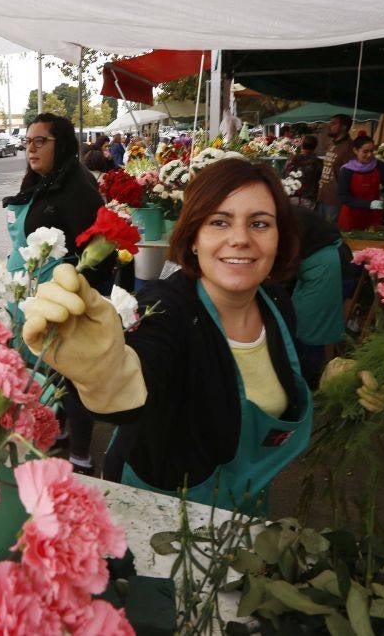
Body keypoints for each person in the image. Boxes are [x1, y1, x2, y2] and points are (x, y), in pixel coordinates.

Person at [24, 159, 312, 512]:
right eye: (219, 222)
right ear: (192, 239)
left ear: (279, 236)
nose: (240, 239)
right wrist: (104, 371)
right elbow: (134, 379)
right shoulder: (166, 308)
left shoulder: (277, 303)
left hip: (248, 501)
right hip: (166, 507)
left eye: (260, 224)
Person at [4, 112, 114, 476]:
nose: (30, 148)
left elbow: (98, 249)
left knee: (71, 376)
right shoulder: (46, 181)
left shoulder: (77, 188)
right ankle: (63, 430)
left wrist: (87, 305)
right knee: (54, 374)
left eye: (40, 141)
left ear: (61, 143)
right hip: (37, 298)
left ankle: (81, 457)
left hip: (63, 301)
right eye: (27, 141)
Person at [288, 205, 349, 389]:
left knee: (311, 326)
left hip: (327, 262)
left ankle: (315, 385)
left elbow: (286, 259)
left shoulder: (282, 217)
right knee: (296, 318)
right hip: (311, 262)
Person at [336, 135, 384, 231]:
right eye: (365, 151)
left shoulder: (380, 166)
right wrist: (371, 204)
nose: (369, 155)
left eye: (371, 151)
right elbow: (344, 197)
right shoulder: (346, 170)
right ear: (355, 151)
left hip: (373, 217)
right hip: (351, 217)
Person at [315, 114, 354, 221]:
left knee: (330, 233)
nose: (329, 125)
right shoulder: (332, 144)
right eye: (330, 122)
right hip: (322, 197)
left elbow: (350, 177)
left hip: (334, 201)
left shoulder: (349, 148)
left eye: (333, 123)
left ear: (344, 127)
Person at [283, 134, 323, 208]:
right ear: (315, 147)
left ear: (302, 145)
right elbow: (320, 181)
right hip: (308, 198)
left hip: (292, 196)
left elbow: (284, 175)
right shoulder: (318, 162)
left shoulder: (291, 160)